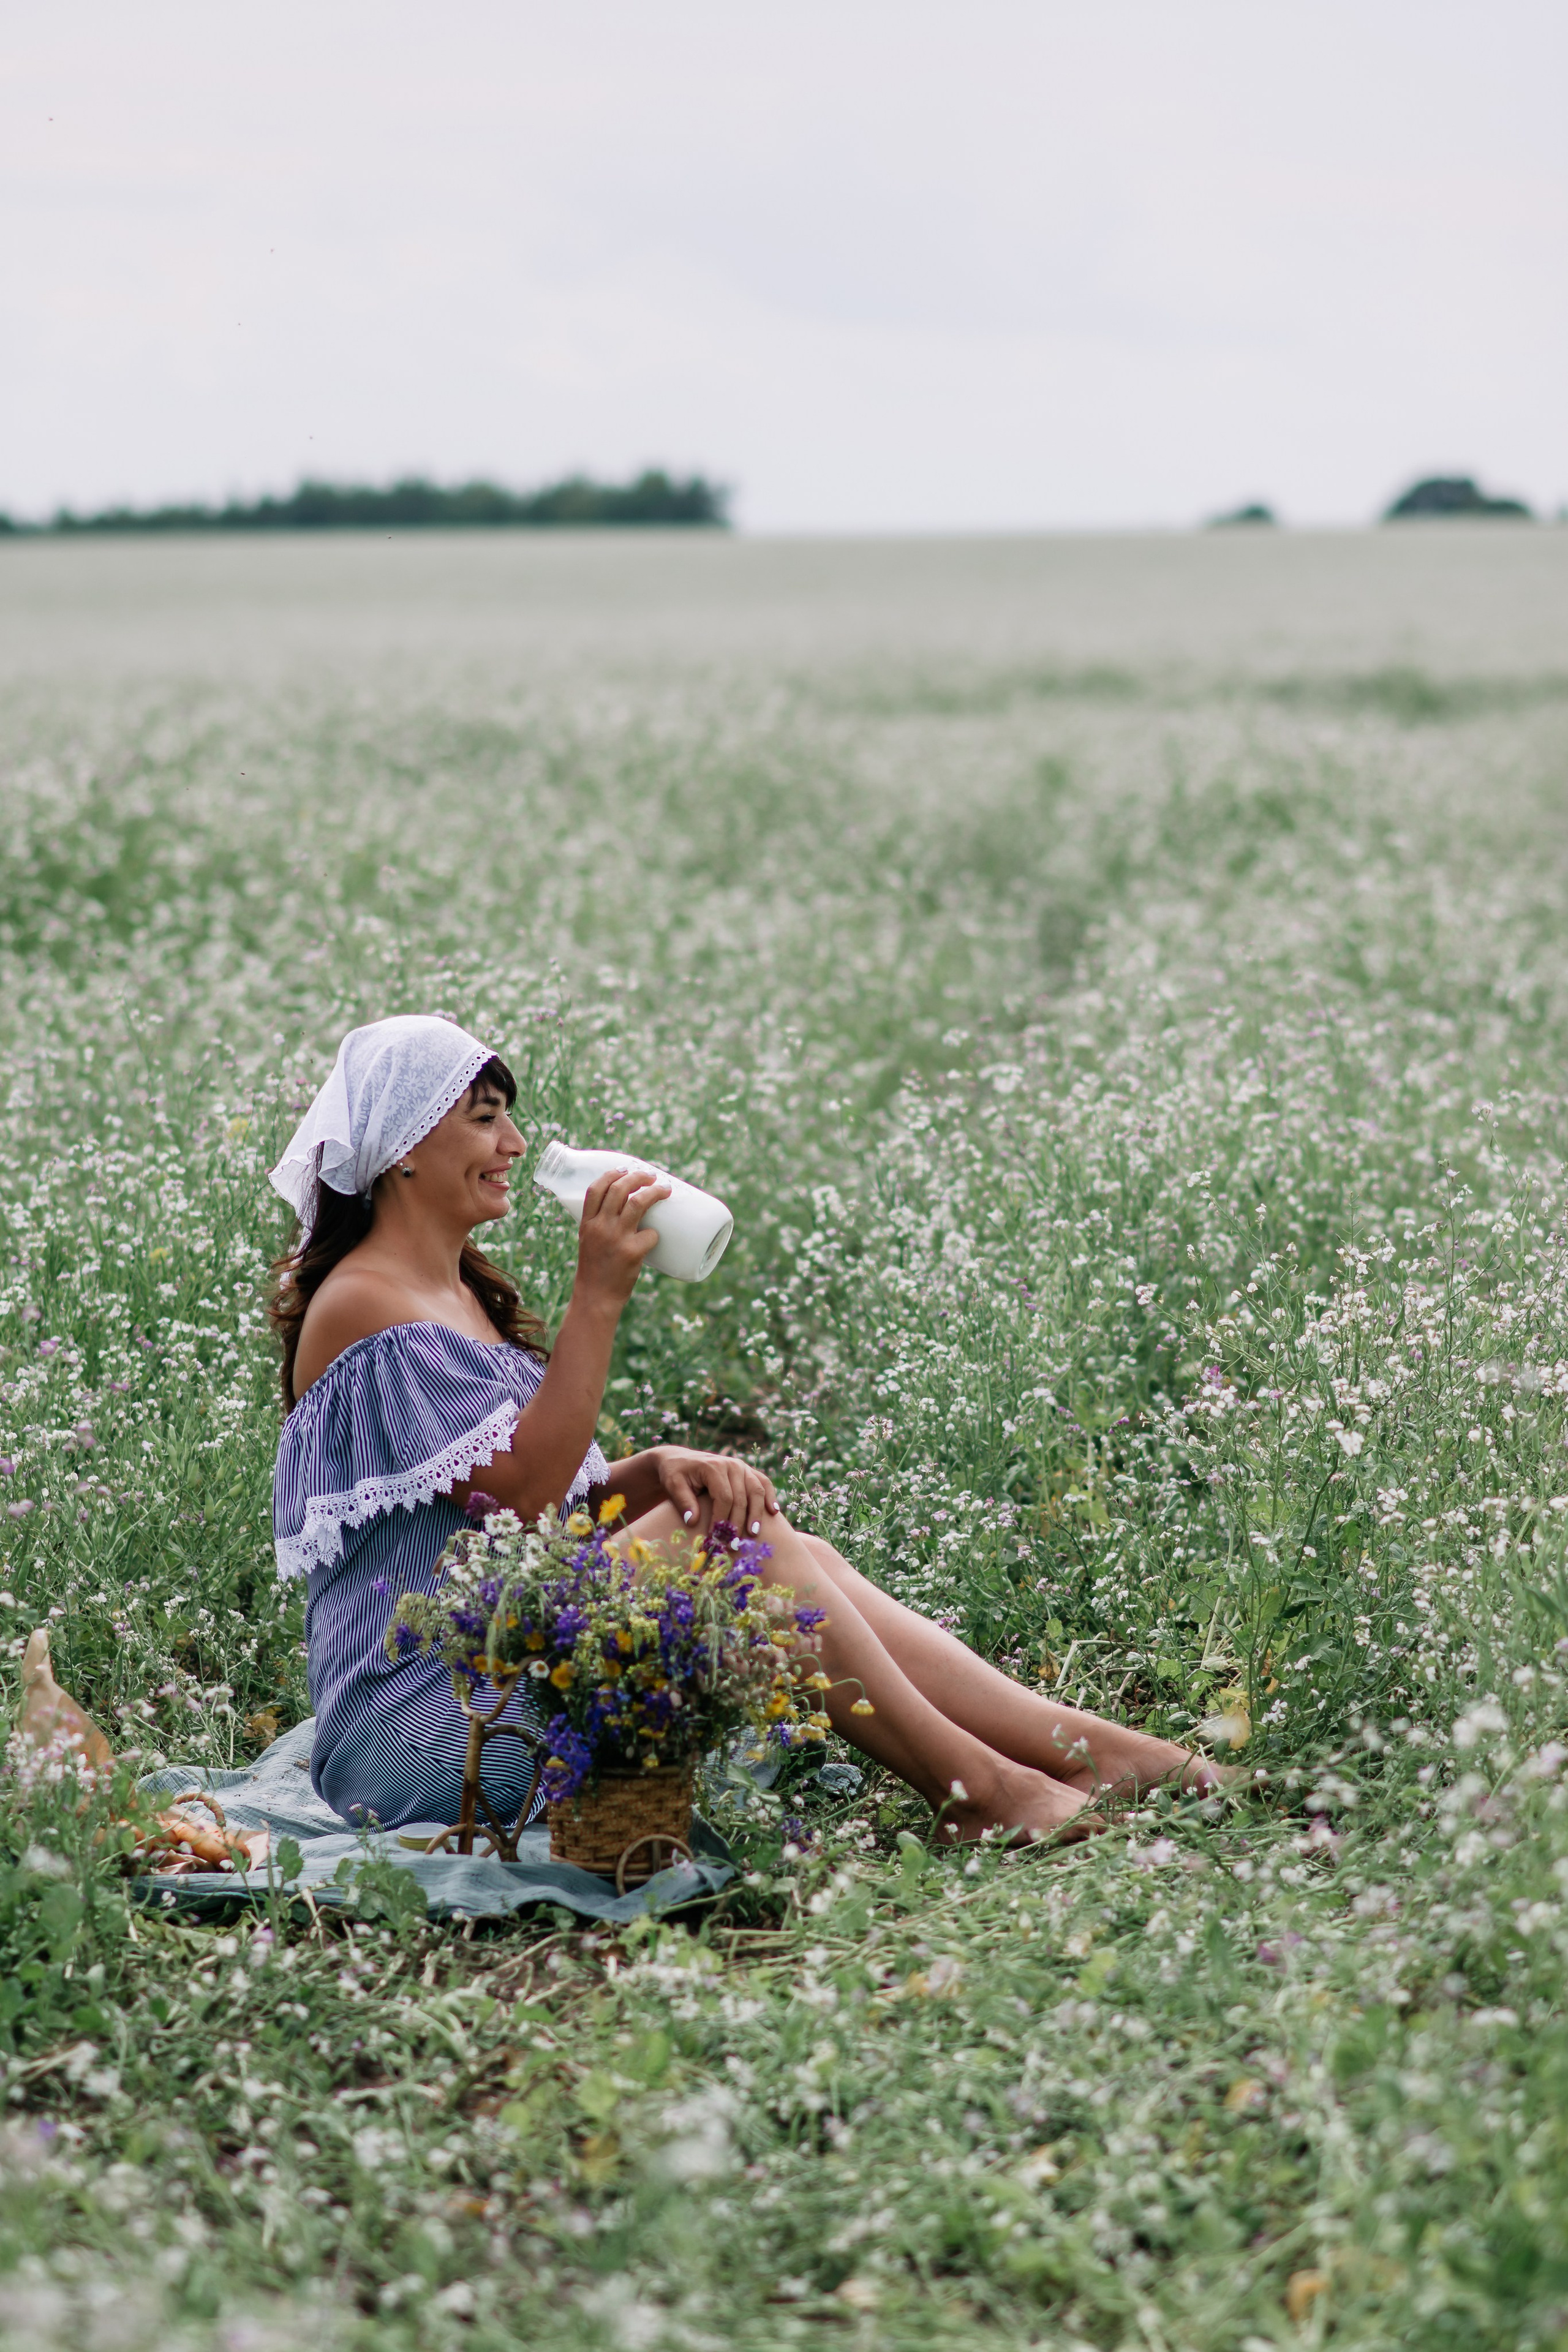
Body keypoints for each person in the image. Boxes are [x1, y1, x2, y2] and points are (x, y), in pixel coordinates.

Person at [269, 1014, 1222, 1842]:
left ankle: (1092, 1752)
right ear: (403, 1146)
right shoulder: (364, 1306)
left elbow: (514, 1533)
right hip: (434, 1730)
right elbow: (512, 1498)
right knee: (722, 1541)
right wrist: (598, 1295)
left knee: (774, 1538)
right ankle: (981, 1792)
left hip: (499, 1664)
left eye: (506, 1116)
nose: (514, 1143)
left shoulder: (452, 1292)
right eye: (484, 1118)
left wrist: (650, 1471)